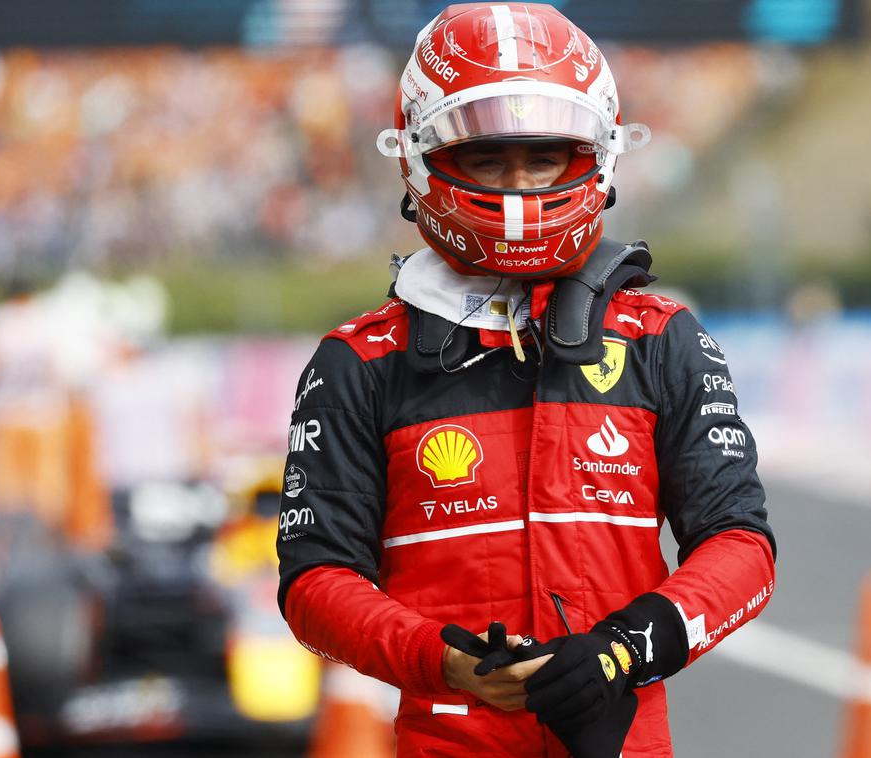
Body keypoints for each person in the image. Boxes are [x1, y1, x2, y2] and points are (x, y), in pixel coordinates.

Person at [276, 4, 776, 756]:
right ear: (420, 160)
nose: (516, 186)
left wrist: (622, 650)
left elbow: (743, 546)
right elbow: (314, 580)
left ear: (598, 157)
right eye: (485, 157)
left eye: (543, 156)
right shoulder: (358, 363)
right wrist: (443, 660)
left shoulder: (662, 339)